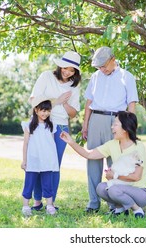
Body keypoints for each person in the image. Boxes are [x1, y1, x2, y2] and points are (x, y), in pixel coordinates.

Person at [61, 111, 146, 218]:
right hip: (122, 188)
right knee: (101, 188)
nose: (112, 127)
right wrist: (71, 142)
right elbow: (89, 154)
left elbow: (136, 177)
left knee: (113, 189)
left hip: (141, 192)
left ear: (125, 129)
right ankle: (120, 209)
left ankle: (137, 209)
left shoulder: (138, 146)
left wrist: (115, 176)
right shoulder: (112, 144)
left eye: (115, 124)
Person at [82, 46, 139, 213]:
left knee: (115, 162)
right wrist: (85, 124)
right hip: (95, 120)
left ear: (113, 59)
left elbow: (132, 104)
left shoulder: (127, 77)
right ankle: (93, 203)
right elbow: (88, 102)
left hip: (117, 121)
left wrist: (129, 127)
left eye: (104, 65)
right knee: (93, 160)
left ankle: (115, 204)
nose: (102, 69)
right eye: (99, 66)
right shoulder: (95, 76)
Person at [29, 51, 81, 210]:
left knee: (54, 166)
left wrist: (65, 104)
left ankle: (51, 203)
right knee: (39, 164)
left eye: (72, 70)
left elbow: (73, 113)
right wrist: (57, 101)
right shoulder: (46, 76)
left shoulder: (74, 85)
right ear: (60, 66)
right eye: (66, 68)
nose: (68, 72)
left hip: (61, 127)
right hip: (43, 125)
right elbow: (33, 101)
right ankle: (37, 202)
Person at [21, 95, 59, 216]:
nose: (45, 113)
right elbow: (25, 144)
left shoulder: (51, 124)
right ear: (36, 110)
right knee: (29, 183)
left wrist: (53, 160)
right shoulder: (28, 125)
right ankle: (25, 206)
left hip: (47, 160)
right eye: (43, 110)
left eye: (48, 110)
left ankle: (49, 205)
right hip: (33, 159)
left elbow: (52, 144)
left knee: (47, 183)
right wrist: (24, 160)